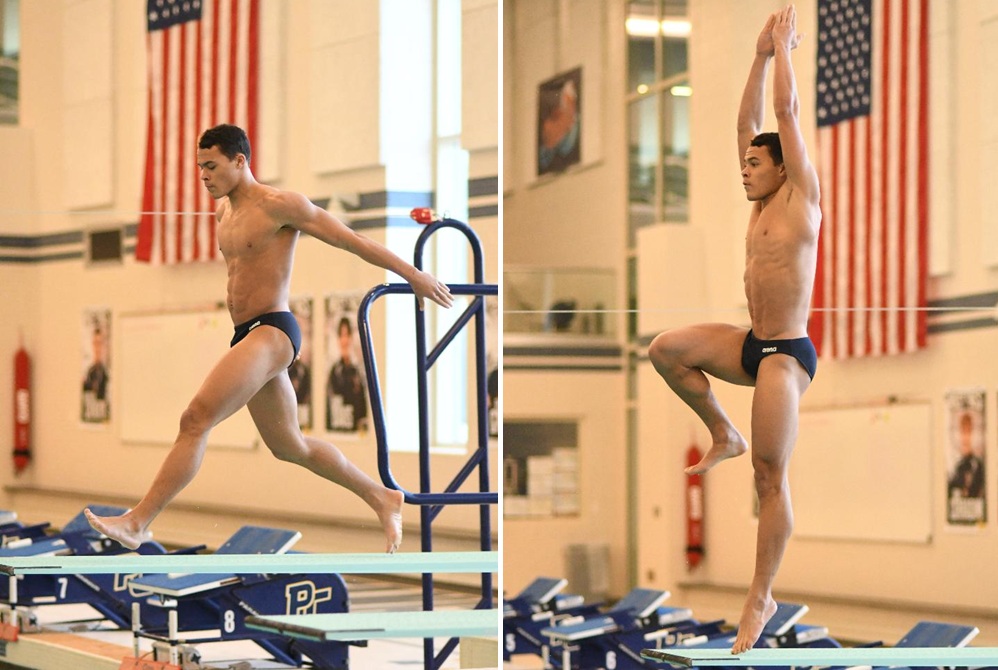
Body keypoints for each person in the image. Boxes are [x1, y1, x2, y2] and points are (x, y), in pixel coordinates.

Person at [86, 123, 453, 554]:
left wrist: (414, 276)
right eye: (199, 167)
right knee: (290, 446)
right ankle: (382, 496)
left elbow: (351, 241)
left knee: (195, 419)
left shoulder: (281, 206)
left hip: (274, 329)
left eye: (212, 166)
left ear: (240, 161)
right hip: (246, 333)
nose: (203, 176)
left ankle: (138, 521)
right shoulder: (225, 213)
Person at [647, 5, 818, 654]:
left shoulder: (801, 198)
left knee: (770, 478)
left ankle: (761, 596)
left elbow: (783, 117)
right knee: (667, 350)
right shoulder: (756, 201)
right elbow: (746, 123)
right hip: (751, 341)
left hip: (786, 354)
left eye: (755, 163)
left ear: (781, 168)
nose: (744, 167)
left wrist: (782, 53)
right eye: (743, 162)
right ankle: (724, 428)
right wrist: (754, 55)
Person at [326, 316, 368, 433]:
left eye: (347, 335)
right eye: (342, 335)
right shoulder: (334, 372)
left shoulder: (358, 372)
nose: (345, 341)